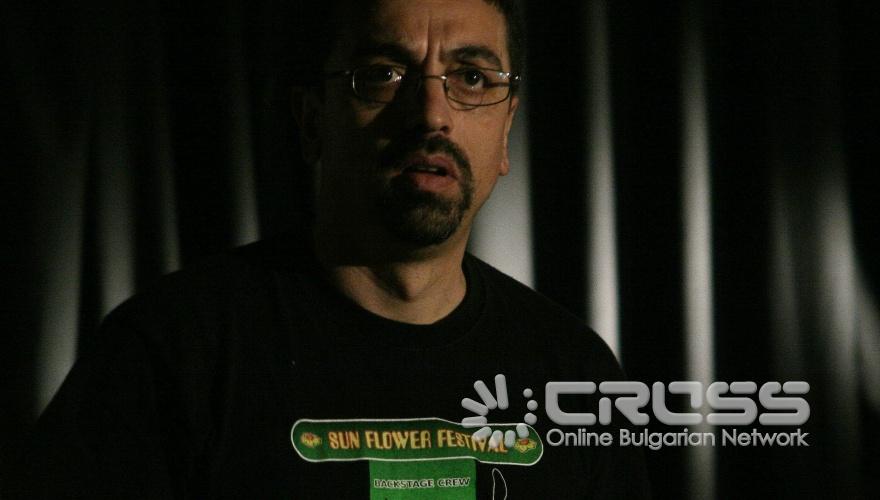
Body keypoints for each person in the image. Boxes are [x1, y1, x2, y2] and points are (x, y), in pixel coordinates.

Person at [8, 0, 650, 498]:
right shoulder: (173, 350)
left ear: (506, 131)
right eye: (384, 74)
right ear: (314, 121)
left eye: (472, 77)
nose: (431, 113)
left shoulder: (575, 370)